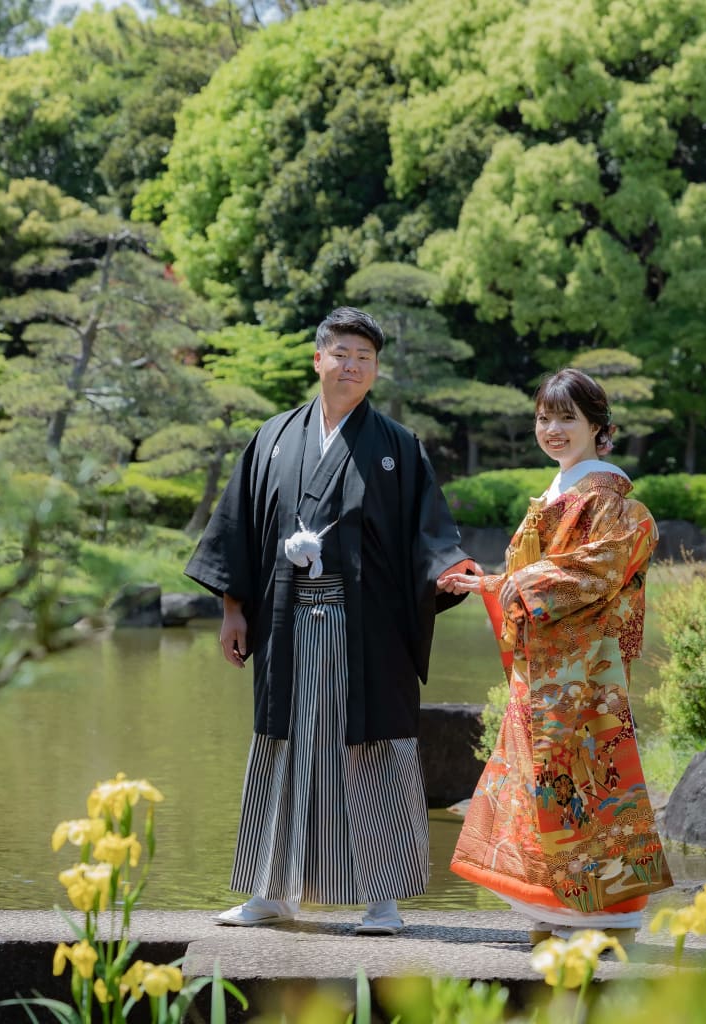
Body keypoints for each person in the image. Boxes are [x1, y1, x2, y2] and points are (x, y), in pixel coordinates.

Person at [185, 306, 476, 935]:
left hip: (367, 628)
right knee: (282, 749)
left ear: (375, 371)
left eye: (364, 358)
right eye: (340, 353)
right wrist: (233, 611)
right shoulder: (271, 438)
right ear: (318, 359)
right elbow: (236, 532)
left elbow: (430, 537)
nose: (351, 365)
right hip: (286, 623)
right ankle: (272, 892)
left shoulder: (398, 446)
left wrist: (450, 571)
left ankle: (383, 900)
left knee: (371, 750)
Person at [440, 368, 672, 946]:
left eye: (567, 417)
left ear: (600, 428)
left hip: (583, 672)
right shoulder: (557, 491)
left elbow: (597, 570)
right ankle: (552, 901)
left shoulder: (613, 502)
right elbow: (532, 576)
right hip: (544, 666)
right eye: (545, 418)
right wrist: (492, 584)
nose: (553, 429)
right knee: (540, 778)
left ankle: (603, 908)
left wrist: (515, 585)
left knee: (584, 777)